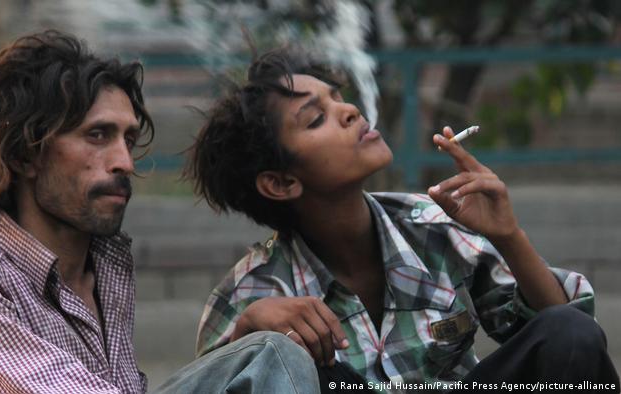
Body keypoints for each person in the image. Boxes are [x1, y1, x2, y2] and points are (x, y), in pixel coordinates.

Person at [186, 48, 620, 392]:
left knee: (569, 331)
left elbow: (571, 345)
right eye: (316, 119)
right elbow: (204, 385)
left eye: (338, 98)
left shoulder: (432, 227)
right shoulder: (252, 292)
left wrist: (509, 236)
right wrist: (251, 334)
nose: (350, 110)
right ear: (281, 183)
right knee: (302, 369)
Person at [0, 31, 320, 393]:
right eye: (97, 135)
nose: (125, 162)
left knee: (271, 355)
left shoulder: (106, 263)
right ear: (26, 154)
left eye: (128, 139)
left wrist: (238, 352)